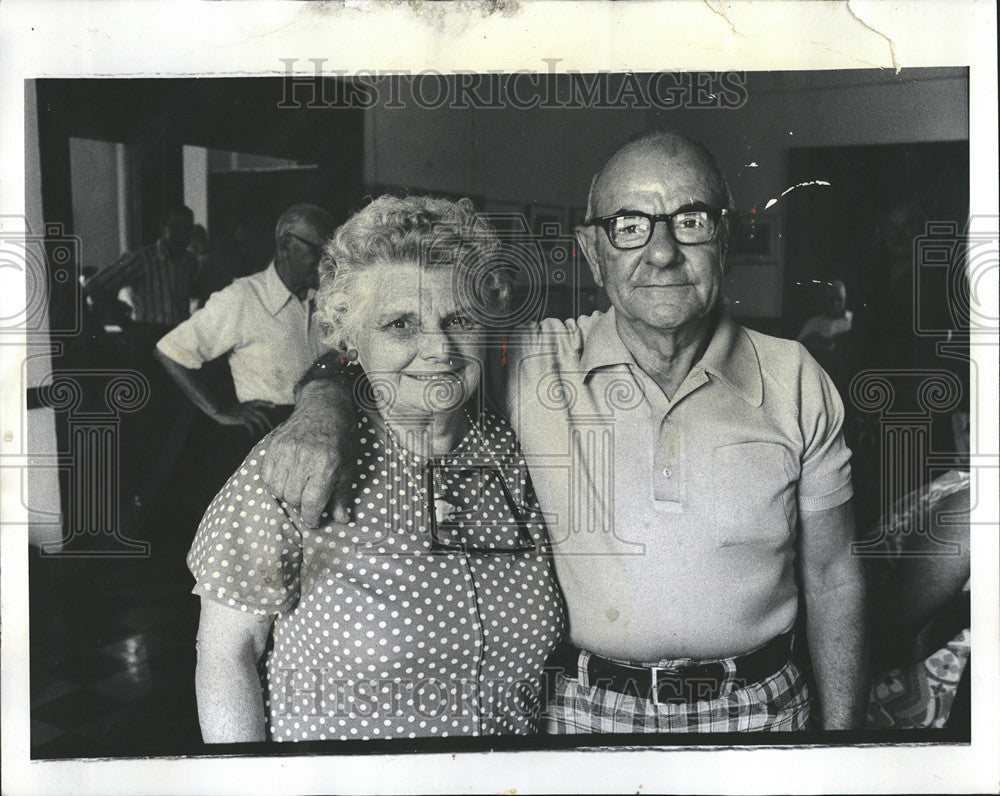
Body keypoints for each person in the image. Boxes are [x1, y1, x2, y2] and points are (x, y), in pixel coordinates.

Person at [263, 130, 868, 733]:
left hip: (763, 710)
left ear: (725, 236)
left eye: (690, 220)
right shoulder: (532, 359)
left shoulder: (795, 378)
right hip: (585, 715)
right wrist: (322, 407)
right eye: (629, 225)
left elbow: (834, 575)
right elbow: (397, 345)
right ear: (590, 249)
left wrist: (844, 745)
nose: (661, 252)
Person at [189, 195, 566, 743]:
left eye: (459, 318)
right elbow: (227, 657)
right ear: (347, 340)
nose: (440, 347)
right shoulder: (300, 462)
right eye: (400, 324)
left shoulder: (515, 451)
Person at [155, 204, 336, 438]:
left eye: (332, 254)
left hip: (326, 431)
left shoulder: (326, 299)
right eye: (318, 251)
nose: (327, 263)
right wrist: (219, 411)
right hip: (272, 435)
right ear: (285, 246)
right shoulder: (241, 298)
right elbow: (170, 351)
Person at [84, 205, 198, 342]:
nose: (182, 233)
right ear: (163, 227)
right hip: (148, 335)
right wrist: (123, 322)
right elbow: (94, 285)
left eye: (187, 228)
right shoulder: (141, 258)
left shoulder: (190, 261)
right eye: (176, 227)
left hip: (179, 336)